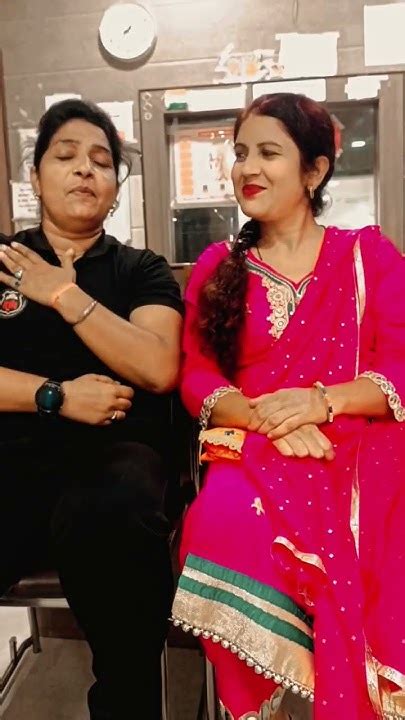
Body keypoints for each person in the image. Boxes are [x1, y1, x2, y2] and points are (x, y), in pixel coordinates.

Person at [172, 93, 405, 720]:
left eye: (269, 153)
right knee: (222, 521)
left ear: (314, 171)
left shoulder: (367, 257)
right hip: (251, 446)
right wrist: (264, 419)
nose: (248, 167)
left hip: (354, 447)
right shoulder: (220, 267)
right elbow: (197, 373)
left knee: (384, 528)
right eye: (241, 152)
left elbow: (401, 361)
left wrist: (320, 402)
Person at [0, 99, 183, 719]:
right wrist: (55, 395)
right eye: (67, 156)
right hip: (12, 461)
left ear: (115, 187)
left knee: (118, 507)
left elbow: (157, 366)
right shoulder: (4, 261)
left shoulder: (140, 269)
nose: (85, 169)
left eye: (102, 162)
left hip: (112, 468)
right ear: (35, 176)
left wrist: (63, 293)